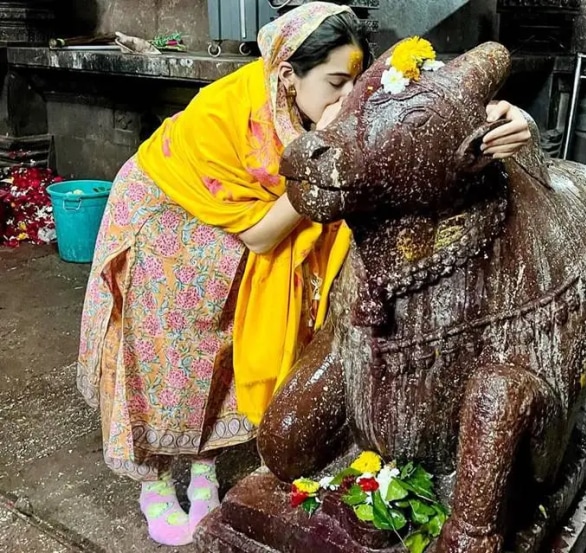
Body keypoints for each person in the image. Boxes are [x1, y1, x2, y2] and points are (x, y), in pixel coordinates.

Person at [75, 2, 533, 547]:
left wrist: (506, 120)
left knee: (225, 351)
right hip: (174, 233)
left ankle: (202, 469)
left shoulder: (327, 107)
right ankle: (153, 483)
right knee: (172, 358)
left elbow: (425, 107)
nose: (346, 100)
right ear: (289, 76)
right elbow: (265, 234)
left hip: (243, 237)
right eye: (336, 83)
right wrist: (334, 164)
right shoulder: (227, 114)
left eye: (354, 85)